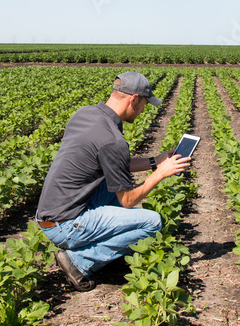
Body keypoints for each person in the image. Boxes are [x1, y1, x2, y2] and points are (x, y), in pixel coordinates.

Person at [35, 71, 191, 291]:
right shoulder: (112, 139)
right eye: (145, 103)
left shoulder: (88, 114)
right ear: (133, 99)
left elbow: (115, 163)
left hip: (51, 213)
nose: (145, 109)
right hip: (65, 225)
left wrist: (156, 161)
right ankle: (79, 261)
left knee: (113, 185)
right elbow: (127, 200)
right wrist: (159, 174)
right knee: (152, 222)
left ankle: (104, 247)